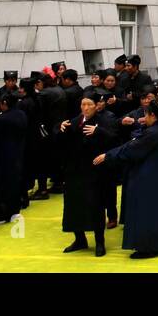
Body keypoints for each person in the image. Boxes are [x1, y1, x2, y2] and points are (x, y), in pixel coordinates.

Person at [94, 101, 158, 259]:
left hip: (148, 177)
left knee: (145, 212)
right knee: (155, 212)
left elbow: (132, 149)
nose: (143, 118)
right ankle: (156, 244)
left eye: (145, 114)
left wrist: (108, 156)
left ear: (153, 116)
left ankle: (148, 247)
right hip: (157, 176)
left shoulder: (154, 133)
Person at [59, 95, 118, 256]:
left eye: (89, 104)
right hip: (75, 170)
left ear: (96, 106)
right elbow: (60, 137)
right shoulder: (75, 121)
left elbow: (114, 138)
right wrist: (60, 127)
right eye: (83, 104)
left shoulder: (104, 121)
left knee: (95, 206)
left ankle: (100, 242)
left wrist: (98, 131)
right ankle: (79, 239)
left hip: (94, 171)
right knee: (74, 205)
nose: (85, 108)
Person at [0, 91, 29, 223]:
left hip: (5, 155)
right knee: (16, 182)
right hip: (19, 152)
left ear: (4, 103)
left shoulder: (2, 119)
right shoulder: (21, 114)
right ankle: (15, 209)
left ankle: (4, 213)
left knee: (5, 185)